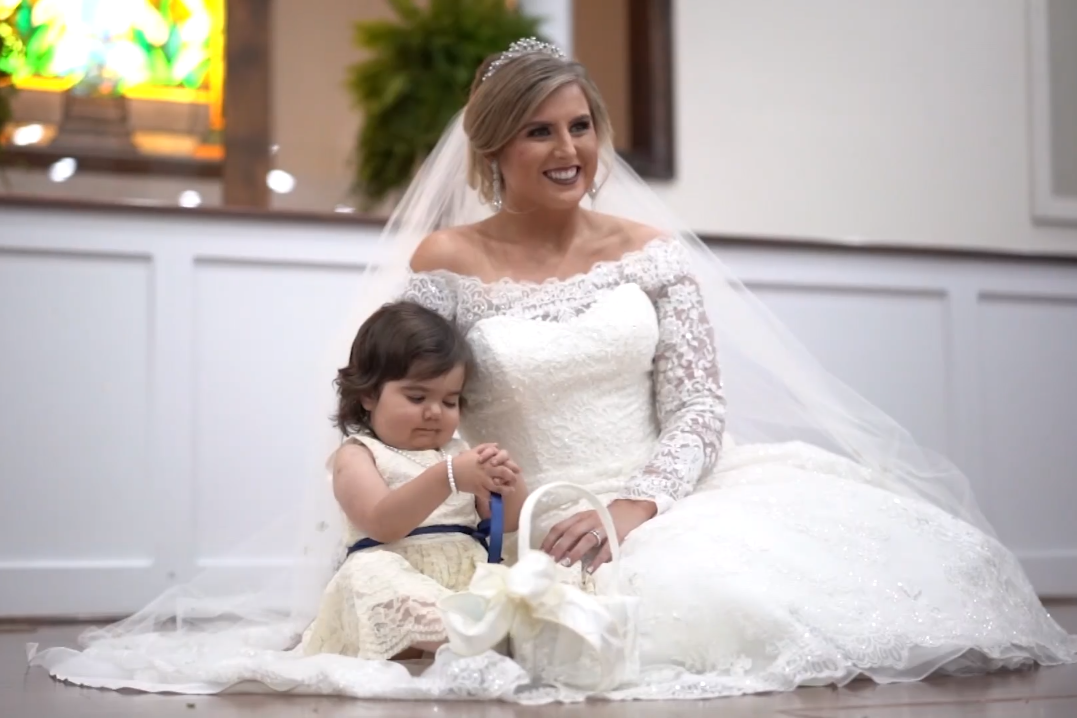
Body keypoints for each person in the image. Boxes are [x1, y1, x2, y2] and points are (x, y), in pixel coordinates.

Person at [28, 38, 1077, 703]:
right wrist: (463, 499)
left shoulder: (651, 255)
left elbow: (700, 410)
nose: (569, 148)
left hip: (658, 499)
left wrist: (635, 506)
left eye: (582, 126)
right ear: (494, 151)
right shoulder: (446, 264)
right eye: (541, 132)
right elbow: (406, 405)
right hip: (518, 519)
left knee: (781, 606)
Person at [299, 301, 527, 662]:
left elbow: (506, 525)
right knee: (369, 577)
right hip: (392, 566)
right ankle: (455, 636)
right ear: (369, 394)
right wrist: (448, 475)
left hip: (460, 573)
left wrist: (507, 484)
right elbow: (382, 522)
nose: (434, 411)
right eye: (417, 397)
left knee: (513, 582)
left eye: (450, 401)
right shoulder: (358, 454)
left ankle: (480, 633)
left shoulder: (457, 451)